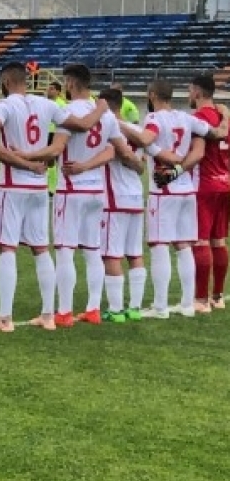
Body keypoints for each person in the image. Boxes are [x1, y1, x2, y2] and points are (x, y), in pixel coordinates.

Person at [0, 61, 104, 332]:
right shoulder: (47, 104)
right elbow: (82, 126)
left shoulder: (4, 105)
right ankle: (48, 314)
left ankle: (4, 316)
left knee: (7, 247)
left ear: (5, 81)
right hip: (38, 185)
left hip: (13, 184)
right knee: (40, 248)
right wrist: (102, 108)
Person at [121, 79, 225, 318]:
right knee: (184, 246)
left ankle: (160, 307)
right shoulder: (187, 118)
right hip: (187, 188)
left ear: (152, 95)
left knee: (159, 246)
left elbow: (146, 140)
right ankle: (188, 304)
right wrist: (226, 115)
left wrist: (119, 124)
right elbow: (216, 134)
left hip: (163, 190)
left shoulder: (154, 119)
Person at [46, 64, 120, 326]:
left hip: (72, 188)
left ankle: (64, 311)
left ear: (70, 82)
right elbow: (113, 151)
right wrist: (89, 166)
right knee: (92, 250)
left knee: (65, 249)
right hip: (96, 189)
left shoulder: (67, 112)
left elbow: (57, 148)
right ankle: (93, 308)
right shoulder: (107, 115)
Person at [98, 88, 148, 323]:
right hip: (136, 195)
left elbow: (114, 155)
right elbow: (142, 165)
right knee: (135, 253)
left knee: (112, 254)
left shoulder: (108, 128)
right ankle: (135, 307)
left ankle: (116, 310)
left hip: (114, 198)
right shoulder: (137, 129)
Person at [187, 74, 230, 312]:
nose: (189, 94)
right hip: (225, 183)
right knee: (219, 241)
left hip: (204, 184)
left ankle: (201, 300)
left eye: (190, 90)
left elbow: (197, 153)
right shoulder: (225, 117)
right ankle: (218, 296)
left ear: (198, 91)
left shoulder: (200, 118)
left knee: (201, 240)